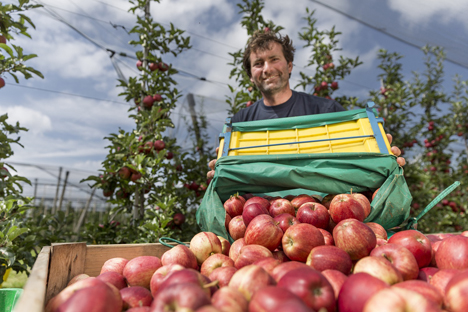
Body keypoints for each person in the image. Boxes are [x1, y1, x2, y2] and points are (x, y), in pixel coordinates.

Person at [207, 30, 405, 179]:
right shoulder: (240, 123)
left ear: (289, 65)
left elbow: (356, 159)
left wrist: (383, 156)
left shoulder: (326, 111)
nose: (267, 69)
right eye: (258, 63)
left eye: (274, 59)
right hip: (259, 216)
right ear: (251, 76)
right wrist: (221, 170)